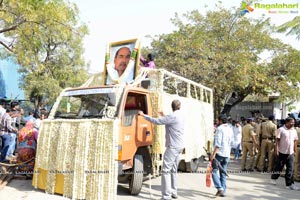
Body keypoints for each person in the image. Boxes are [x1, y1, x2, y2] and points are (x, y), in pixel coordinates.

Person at [138, 99, 184, 200]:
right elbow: (170, 121)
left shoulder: (172, 116)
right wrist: (164, 115)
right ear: (179, 107)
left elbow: (157, 121)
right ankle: (174, 191)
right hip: (179, 146)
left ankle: (166, 196)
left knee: (166, 171)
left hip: (172, 147)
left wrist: (143, 115)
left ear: (172, 107)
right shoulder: (181, 116)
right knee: (173, 170)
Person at [271, 117, 299, 190]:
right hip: (282, 152)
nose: (293, 123)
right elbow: (277, 141)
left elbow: (295, 141)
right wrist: (276, 150)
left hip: (291, 153)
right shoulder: (281, 130)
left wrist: (295, 151)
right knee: (279, 167)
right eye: (291, 122)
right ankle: (274, 178)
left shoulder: (294, 130)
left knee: (290, 169)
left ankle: (290, 184)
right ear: (286, 122)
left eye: (293, 122)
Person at [210, 115, 234, 197]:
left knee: (214, 171)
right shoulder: (230, 129)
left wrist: (213, 155)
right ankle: (222, 191)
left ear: (220, 121)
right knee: (223, 173)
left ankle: (220, 188)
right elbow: (232, 142)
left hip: (219, 154)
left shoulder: (219, 129)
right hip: (227, 154)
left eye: (217, 120)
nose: (217, 121)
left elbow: (218, 144)